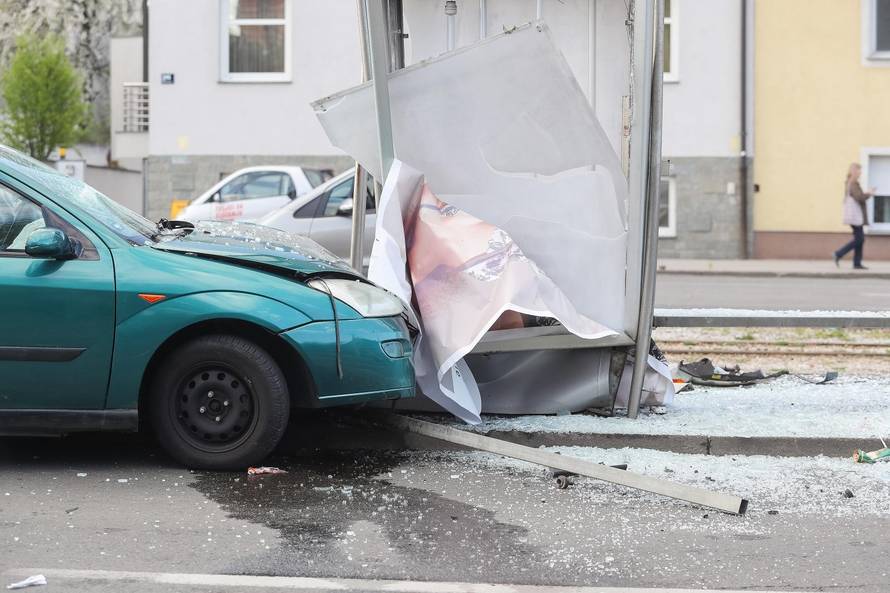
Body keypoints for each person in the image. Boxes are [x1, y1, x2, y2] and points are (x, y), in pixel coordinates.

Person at [834, 163, 875, 270]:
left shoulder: (850, 183)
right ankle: (839, 253)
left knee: (860, 239)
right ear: (854, 171)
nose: (860, 172)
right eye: (859, 170)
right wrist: (869, 194)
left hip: (854, 216)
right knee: (859, 239)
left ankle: (857, 263)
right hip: (856, 216)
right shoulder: (853, 184)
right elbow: (859, 198)